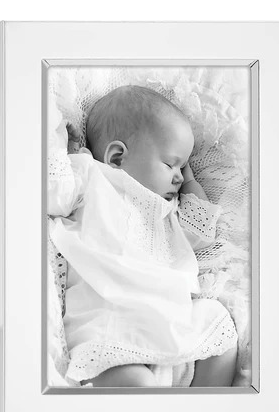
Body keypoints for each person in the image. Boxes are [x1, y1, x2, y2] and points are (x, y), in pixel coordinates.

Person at [48, 85, 237, 387]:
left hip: (174, 324)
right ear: (117, 158)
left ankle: (205, 407)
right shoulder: (92, 177)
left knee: (218, 323)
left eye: (184, 167)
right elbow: (55, 192)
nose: (179, 176)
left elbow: (201, 230)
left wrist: (190, 181)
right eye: (171, 164)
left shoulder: (168, 210)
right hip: (114, 328)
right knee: (136, 383)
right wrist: (60, 144)